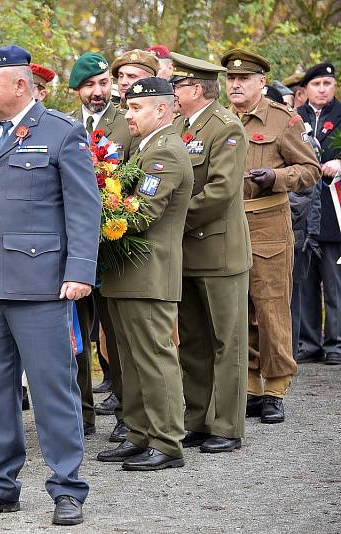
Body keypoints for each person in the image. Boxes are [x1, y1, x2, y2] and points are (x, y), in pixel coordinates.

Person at [0, 45, 99, 526]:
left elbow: (83, 208)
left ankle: (67, 487)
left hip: (41, 285)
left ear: (20, 85)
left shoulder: (60, 133)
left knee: (53, 389)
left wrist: (79, 272)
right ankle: (0, 485)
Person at [96, 77, 193, 471]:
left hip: (150, 271)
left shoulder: (165, 152)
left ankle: (167, 441)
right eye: (127, 108)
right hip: (128, 272)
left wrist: (91, 214)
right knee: (131, 360)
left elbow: (143, 213)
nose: (128, 115)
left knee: (154, 357)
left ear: (163, 110)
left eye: (136, 109)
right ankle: (139, 434)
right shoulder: (145, 147)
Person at [220, 48, 320, 423]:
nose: (235, 84)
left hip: (268, 226)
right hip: (227, 227)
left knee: (271, 308)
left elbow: (309, 169)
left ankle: (276, 385)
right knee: (238, 310)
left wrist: (278, 178)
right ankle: (251, 386)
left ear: (261, 83)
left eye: (243, 79)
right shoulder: (218, 120)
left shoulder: (281, 120)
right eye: (230, 78)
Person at [169, 52, 252, 453]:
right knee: (195, 342)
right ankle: (197, 418)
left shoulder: (226, 127)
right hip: (186, 252)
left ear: (196, 89)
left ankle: (227, 426)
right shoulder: (180, 125)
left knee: (227, 341)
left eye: (177, 86)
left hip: (219, 252)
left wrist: (172, 220)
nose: (173, 92)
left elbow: (220, 190)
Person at [68, 51, 136, 442]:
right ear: (76, 90)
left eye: (104, 84)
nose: (98, 92)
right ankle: (82, 416)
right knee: (74, 335)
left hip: (114, 244)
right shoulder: (63, 124)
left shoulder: (125, 121)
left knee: (117, 335)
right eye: (90, 85)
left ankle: (128, 415)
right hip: (75, 248)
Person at [297, 62, 341, 366]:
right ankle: (308, 341)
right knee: (305, 280)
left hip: (332, 213)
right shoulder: (294, 118)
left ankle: (336, 343)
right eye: (317, 84)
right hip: (301, 211)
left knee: (334, 281)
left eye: (327, 83)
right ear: (305, 89)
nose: (322, 89)